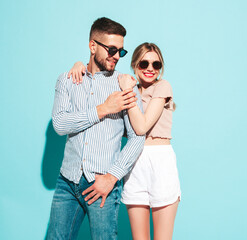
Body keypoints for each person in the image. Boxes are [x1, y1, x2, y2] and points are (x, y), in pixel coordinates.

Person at [70, 42, 181, 240]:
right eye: (144, 63)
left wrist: (128, 91)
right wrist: (80, 66)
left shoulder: (162, 86)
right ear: (135, 64)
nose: (150, 69)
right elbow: (98, 83)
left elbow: (141, 127)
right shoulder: (127, 87)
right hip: (134, 163)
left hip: (160, 162)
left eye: (156, 65)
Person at [47, 17, 145, 240]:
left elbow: (138, 137)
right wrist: (102, 109)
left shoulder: (125, 85)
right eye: (111, 49)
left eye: (121, 51)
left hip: (103, 184)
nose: (116, 56)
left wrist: (112, 177)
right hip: (67, 182)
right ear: (93, 46)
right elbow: (60, 125)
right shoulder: (68, 80)